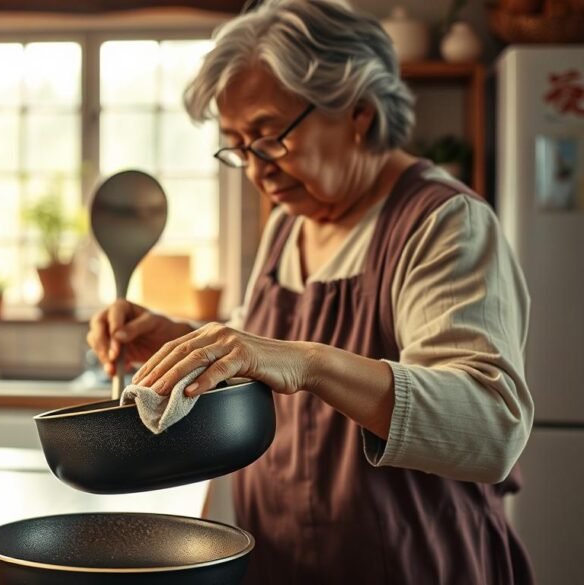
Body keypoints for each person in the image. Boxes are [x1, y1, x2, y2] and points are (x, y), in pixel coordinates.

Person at [86, 1, 534, 583]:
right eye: (237, 146)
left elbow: (491, 426)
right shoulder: (288, 226)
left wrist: (307, 360)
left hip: (414, 564)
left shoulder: (443, 223)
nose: (255, 169)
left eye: (269, 137)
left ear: (359, 114)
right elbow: (263, 369)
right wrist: (182, 342)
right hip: (285, 562)